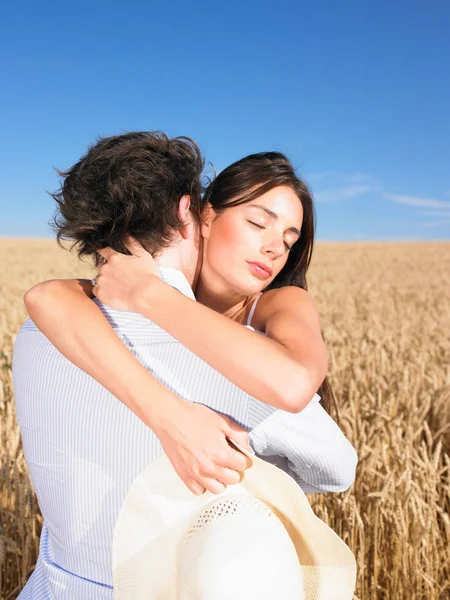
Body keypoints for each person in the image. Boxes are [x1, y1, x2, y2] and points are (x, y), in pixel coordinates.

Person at [13, 131, 357, 598]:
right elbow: (335, 468)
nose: (277, 249)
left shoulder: (37, 335)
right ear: (196, 213)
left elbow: (44, 295)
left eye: (290, 239)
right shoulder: (238, 370)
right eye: (259, 222)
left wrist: (149, 295)